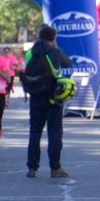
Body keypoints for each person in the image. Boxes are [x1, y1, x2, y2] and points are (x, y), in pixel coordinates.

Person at [24, 25, 71, 178]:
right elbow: (67, 63)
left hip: (35, 97)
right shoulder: (54, 52)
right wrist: (56, 47)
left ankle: (32, 168)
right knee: (54, 134)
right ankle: (55, 168)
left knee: (35, 133)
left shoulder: (30, 53)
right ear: (53, 38)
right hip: (53, 98)